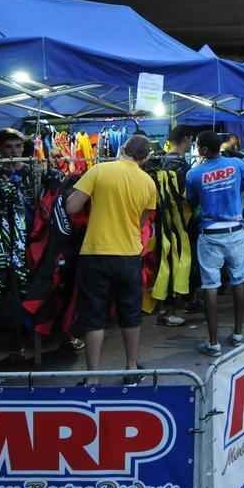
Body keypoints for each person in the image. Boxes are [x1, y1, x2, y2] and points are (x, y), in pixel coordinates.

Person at [65, 135, 158, 381]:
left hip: (95, 253)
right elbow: (142, 222)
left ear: (122, 148)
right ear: (145, 158)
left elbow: (72, 207)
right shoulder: (149, 183)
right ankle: (131, 368)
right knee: (130, 312)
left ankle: (93, 376)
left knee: (94, 315)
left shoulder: (99, 170)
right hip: (129, 255)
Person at [186, 131, 244, 356]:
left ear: (203, 150)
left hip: (210, 233)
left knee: (210, 286)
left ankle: (213, 343)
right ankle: (238, 334)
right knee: (239, 280)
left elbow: (191, 200)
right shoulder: (236, 164)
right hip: (235, 231)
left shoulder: (193, 174)